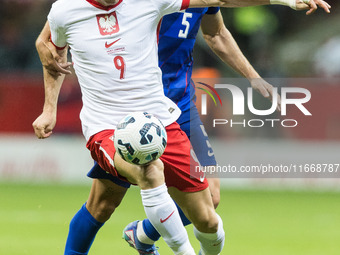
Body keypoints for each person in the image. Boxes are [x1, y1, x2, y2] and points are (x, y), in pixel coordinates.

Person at [33, 0, 331, 255]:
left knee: (209, 205)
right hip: (117, 118)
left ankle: (145, 233)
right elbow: (52, 38)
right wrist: (48, 103)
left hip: (173, 106)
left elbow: (217, 30)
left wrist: (254, 74)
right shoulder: (73, 10)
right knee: (110, 198)